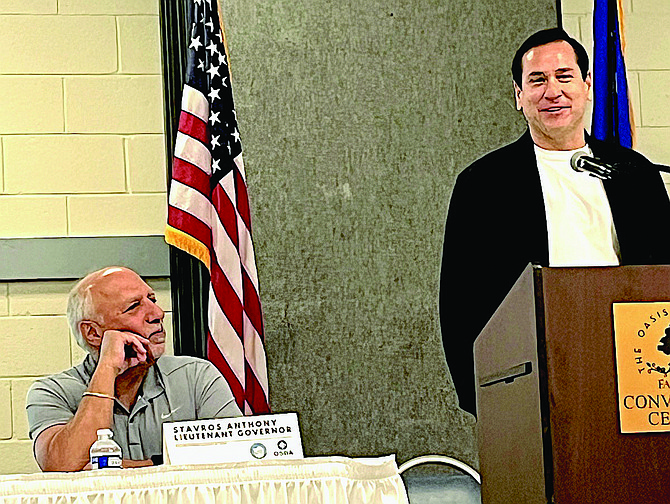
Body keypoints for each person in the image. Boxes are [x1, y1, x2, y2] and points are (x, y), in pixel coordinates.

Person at [440, 28, 670, 416]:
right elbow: (460, 301)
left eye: (564, 77)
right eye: (537, 80)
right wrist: (481, 396)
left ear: (587, 85)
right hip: (534, 377)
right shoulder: (483, 185)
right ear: (519, 95)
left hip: (634, 369)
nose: (553, 91)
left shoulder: (635, 174)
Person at [26, 266, 242, 471]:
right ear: (93, 333)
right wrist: (107, 367)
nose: (157, 313)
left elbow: (236, 456)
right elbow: (61, 465)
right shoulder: (51, 392)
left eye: (152, 299)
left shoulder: (196, 376)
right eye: (134, 307)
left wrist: (134, 466)